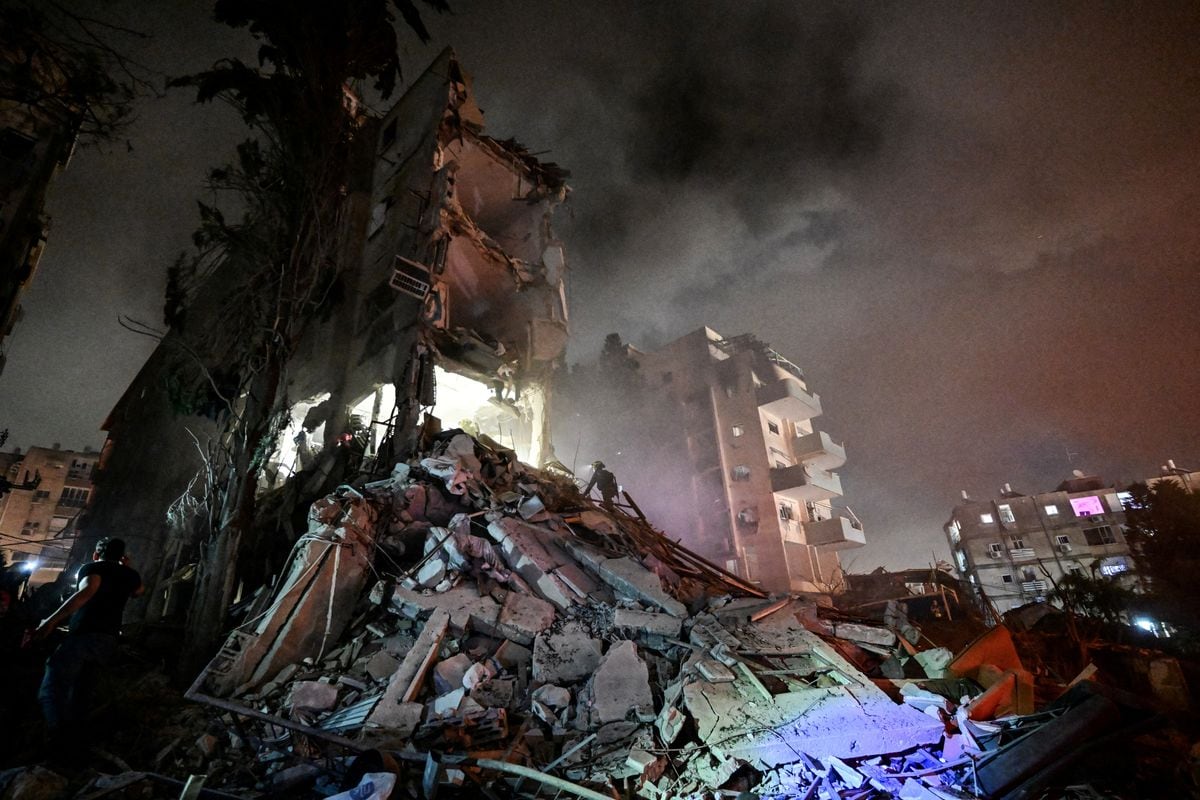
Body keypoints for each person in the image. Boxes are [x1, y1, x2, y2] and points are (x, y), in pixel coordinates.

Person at [33, 537, 143, 743]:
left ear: (96, 554)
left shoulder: (93, 567)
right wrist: (126, 568)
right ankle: (76, 742)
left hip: (84, 635)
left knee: (53, 688)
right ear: (122, 556)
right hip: (108, 640)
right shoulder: (130, 575)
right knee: (82, 691)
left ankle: (57, 738)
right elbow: (139, 592)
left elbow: (86, 592)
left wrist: (51, 621)